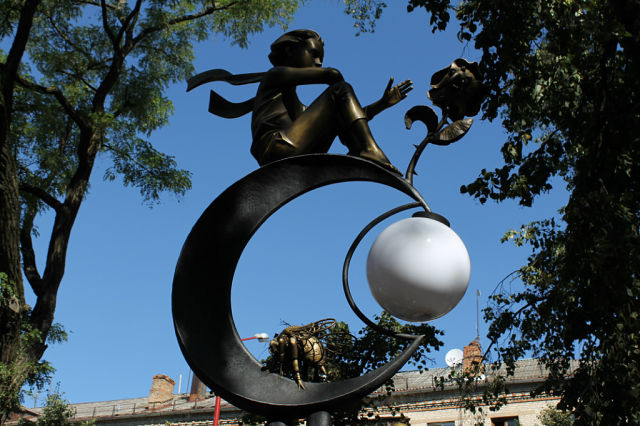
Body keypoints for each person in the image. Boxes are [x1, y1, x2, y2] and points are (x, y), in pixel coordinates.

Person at [187, 29, 412, 173]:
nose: (318, 62)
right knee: (341, 90)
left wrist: (381, 104)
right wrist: (339, 91)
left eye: (321, 58)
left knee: (339, 104)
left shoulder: (291, 102)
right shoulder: (275, 75)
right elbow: (333, 75)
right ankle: (368, 150)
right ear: (290, 50)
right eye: (313, 54)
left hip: (292, 149)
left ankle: (362, 150)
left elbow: (339, 115)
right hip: (275, 148)